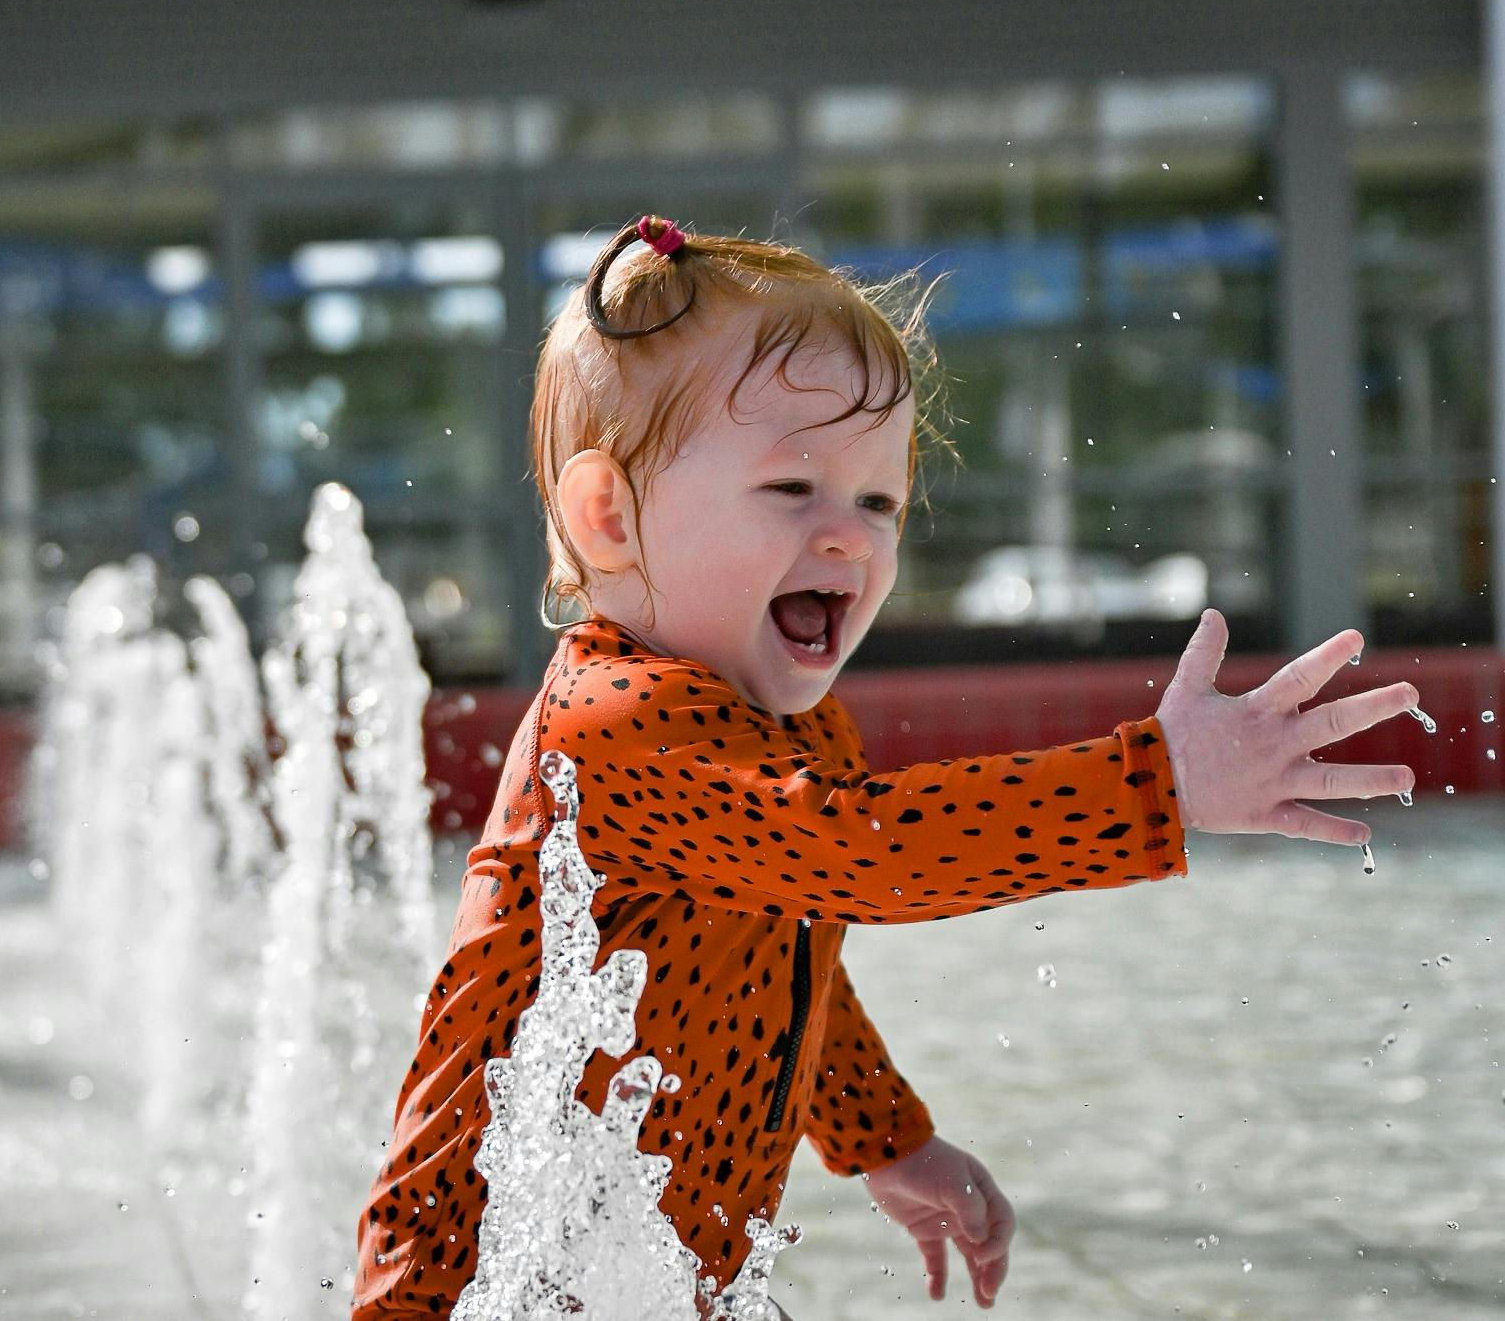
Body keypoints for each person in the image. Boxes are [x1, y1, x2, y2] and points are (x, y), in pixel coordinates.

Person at [350, 216, 1417, 1316]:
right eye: (789, 492)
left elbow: (788, 949)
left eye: (877, 501)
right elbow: (861, 855)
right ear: (609, 515)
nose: (851, 538)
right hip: (473, 1286)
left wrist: (886, 1142)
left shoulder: (784, 733)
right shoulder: (615, 732)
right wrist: (1156, 784)